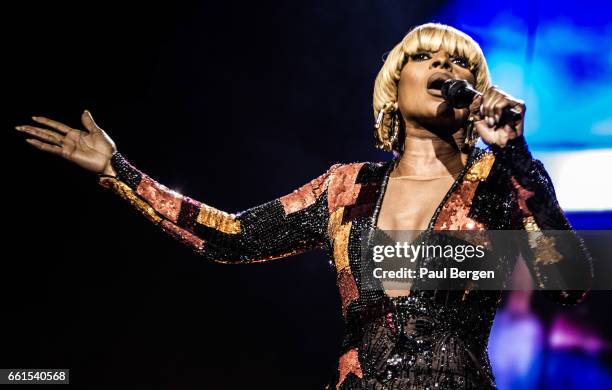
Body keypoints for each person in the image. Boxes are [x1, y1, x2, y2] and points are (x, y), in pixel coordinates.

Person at [15, 23, 592, 389]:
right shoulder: (347, 188)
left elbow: (570, 281)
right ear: (394, 84)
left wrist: (517, 153)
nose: (447, 69)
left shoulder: (498, 181)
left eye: (462, 64)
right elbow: (233, 236)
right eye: (427, 57)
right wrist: (120, 172)